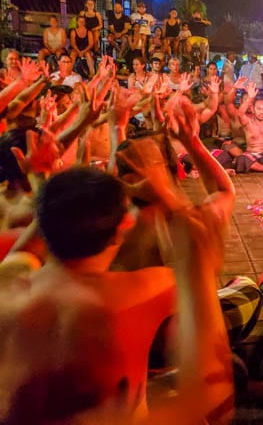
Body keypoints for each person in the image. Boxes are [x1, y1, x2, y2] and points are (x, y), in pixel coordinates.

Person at [0, 167, 176, 421]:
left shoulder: (11, 283)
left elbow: (26, 247)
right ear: (124, 225)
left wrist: (49, 188)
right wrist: (167, 199)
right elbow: (194, 261)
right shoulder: (148, 288)